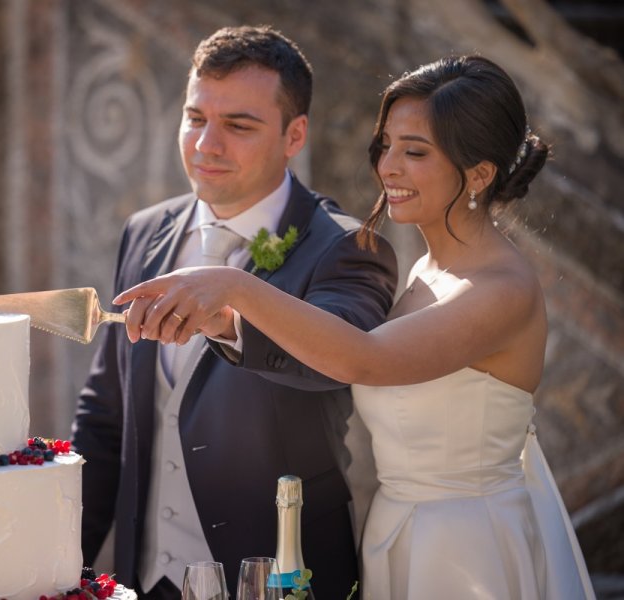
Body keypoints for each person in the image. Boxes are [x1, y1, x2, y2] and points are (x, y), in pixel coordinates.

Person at [115, 55, 597, 599]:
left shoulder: (500, 289)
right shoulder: (426, 271)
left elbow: (365, 359)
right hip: (396, 535)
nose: (388, 166)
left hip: (466, 550)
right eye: (387, 144)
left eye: (415, 151)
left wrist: (236, 285)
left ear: (480, 174)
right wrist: (226, 320)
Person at [71, 25, 398, 600]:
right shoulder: (145, 232)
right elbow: (106, 417)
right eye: (195, 119)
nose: (206, 145)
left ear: (295, 134)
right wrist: (58, 566)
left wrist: (233, 309)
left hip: (283, 577)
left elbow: (345, 356)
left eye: (238, 125)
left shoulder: (346, 247)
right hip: (144, 581)